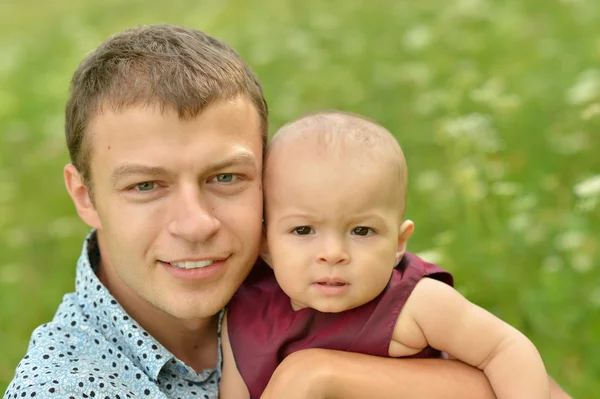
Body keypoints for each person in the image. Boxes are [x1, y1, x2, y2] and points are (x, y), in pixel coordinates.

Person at [4, 24, 571, 399]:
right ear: (84, 195)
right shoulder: (67, 384)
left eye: (226, 177)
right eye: (146, 186)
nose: (197, 224)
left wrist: (322, 375)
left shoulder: (308, 258)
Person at [220, 111, 549, 399]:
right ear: (265, 243)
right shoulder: (245, 312)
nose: (333, 254)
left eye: (361, 231)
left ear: (398, 243)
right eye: (304, 230)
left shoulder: (416, 304)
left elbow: (505, 349)